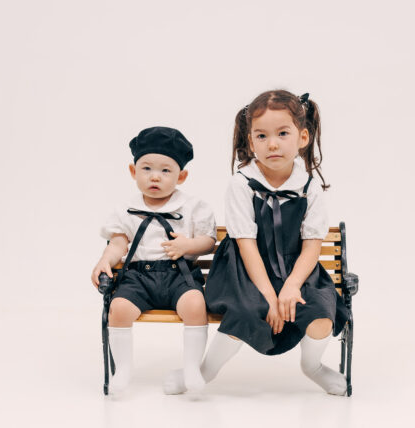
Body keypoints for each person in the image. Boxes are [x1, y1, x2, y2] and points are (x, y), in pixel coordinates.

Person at [164, 90, 350, 396]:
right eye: (262, 136)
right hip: (246, 270)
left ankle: (312, 366)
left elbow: (312, 246)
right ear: (251, 143)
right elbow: (246, 245)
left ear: (302, 137)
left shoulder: (308, 187)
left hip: (296, 269)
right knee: (248, 311)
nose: (272, 144)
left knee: (319, 313)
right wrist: (269, 295)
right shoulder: (242, 184)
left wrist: (291, 287)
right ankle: (205, 371)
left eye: (282, 133)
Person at [91, 126, 216, 396]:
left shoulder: (193, 207)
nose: (155, 176)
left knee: (195, 304)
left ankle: (192, 368)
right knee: (119, 308)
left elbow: (208, 241)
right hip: (138, 278)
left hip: (180, 275)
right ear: (133, 171)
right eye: (146, 168)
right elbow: (118, 243)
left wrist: (188, 245)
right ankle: (124, 369)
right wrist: (105, 260)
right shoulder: (125, 210)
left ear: (181, 176)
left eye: (165, 170)